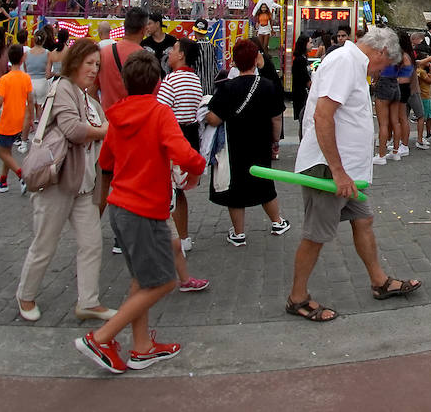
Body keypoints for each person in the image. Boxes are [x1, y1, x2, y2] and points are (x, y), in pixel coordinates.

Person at [75, 50, 207, 374]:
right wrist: (198, 168)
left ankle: (142, 347)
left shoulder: (116, 115)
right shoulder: (159, 114)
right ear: (157, 83)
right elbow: (184, 153)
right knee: (163, 281)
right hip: (145, 210)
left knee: (141, 279)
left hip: (120, 207)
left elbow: (106, 162)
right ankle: (102, 337)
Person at [287, 26, 419, 322]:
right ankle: (297, 297)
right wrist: (336, 170)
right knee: (316, 235)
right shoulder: (345, 62)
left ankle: (379, 281)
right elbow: (323, 115)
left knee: (364, 219)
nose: (381, 71)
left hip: (346, 171)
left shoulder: (353, 63)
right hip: (329, 168)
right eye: (384, 65)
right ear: (381, 51)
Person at [16, 38, 115, 323]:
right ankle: (26, 294)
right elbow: (73, 130)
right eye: (89, 63)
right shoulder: (62, 89)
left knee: (92, 243)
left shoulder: (87, 96)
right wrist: (106, 130)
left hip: (82, 184)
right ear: (75, 63)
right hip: (58, 181)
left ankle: (89, 300)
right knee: (45, 242)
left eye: (97, 64)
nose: (94, 69)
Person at [204, 39, 290, 246]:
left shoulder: (227, 88)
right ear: (256, 59)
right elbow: (276, 117)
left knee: (235, 188)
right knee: (264, 183)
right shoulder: (268, 86)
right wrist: (275, 141)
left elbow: (214, 118)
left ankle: (239, 233)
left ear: (234, 61)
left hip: (234, 145)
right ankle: (277, 222)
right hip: (260, 143)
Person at [157, 39, 204, 252]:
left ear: (182, 55)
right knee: (178, 189)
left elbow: (160, 111)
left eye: (175, 49)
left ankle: (175, 239)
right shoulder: (195, 80)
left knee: (170, 191)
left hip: (172, 137)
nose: (170, 52)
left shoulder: (171, 81)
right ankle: (183, 236)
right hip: (189, 137)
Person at [0, 44, 33, 193]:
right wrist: (30, 118)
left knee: (2, 153)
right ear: (22, 58)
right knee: (7, 152)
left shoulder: (5, 79)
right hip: (19, 119)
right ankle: (3, 180)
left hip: (7, 120)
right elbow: (30, 100)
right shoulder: (26, 78)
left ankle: (21, 175)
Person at [99, 8, 148, 109]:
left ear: (125, 27)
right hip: (135, 119)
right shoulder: (147, 59)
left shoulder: (104, 53)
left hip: (108, 119)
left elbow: (92, 91)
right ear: (143, 30)